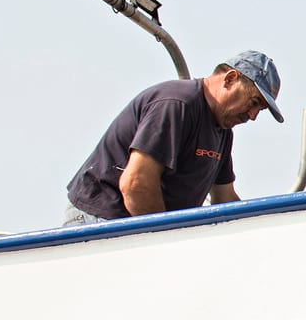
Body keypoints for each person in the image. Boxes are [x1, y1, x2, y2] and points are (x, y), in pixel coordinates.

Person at [63, 49, 284, 224]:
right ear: (229, 79)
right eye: (254, 102)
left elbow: (224, 198)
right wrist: (169, 239)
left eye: (260, 110)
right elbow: (136, 183)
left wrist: (259, 232)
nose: (253, 116)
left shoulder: (222, 131)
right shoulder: (177, 104)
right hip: (102, 219)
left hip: (140, 228)